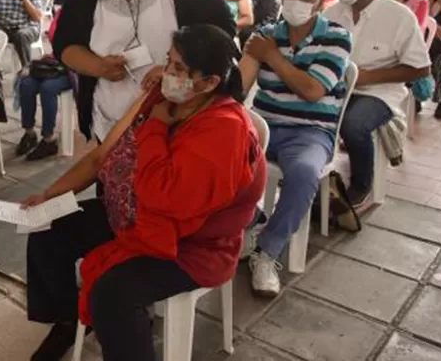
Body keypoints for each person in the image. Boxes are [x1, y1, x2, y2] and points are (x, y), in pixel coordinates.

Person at [25, 24, 265, 361]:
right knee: (47, 230)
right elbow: (100, 156)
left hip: (190, 244)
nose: (167, 73)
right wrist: (49, 196)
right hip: (133, 214)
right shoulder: (164, 98)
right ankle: (68, 320)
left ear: (210, 82)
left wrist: (155, 126)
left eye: (179, 68)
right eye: (169, 62)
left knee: (113, 293)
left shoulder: (224, 129)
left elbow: (166, 198)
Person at [52, 0, 235, 143]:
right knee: (111, 178)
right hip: (111, 123)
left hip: (177, 122)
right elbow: (64, 45)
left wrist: (175, 72)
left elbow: (223, 28)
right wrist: (98, 66)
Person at [239, 0, 352, 296]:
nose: (296, 1)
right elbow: (241, 86)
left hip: (309, 130)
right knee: (219, 155)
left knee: (304, 173)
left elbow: (313, 90)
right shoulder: (265, 33)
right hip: (263, 124)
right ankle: (253, 220)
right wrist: (251, 55)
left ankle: (268, 252)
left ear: (320, 0)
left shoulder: (336, 36)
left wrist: (271, 55)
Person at [323, 0, 430, 209]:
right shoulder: (333, 12)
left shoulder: (398, 16)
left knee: (354, 125)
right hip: (337, 87)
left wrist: (367, 77)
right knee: (304, 111)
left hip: (378, 91)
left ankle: (362, 184)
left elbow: (420, 68)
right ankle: (308, 172)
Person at [15, 18, 72, 161]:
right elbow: (54, 38)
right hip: (55, 63)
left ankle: (49, 139)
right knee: (26, 84)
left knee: (48, 88)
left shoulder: (93, 14)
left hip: (74, 68)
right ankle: (29, 133)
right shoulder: (62, 14)